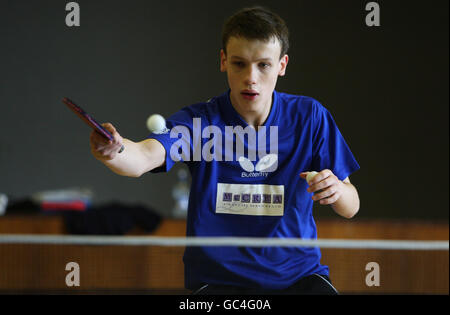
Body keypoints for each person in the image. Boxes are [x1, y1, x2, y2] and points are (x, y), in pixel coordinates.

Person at [90, 6, 360, 295]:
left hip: (298, 279)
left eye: (263, 65)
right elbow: (142, 157)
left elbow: (351, 206)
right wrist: (114, 150)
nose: (251, 78)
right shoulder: (200, 123)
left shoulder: (310, 117)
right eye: (239, 64)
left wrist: (337, 191)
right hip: (219, 283)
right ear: (223, 61)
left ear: (282, 65)